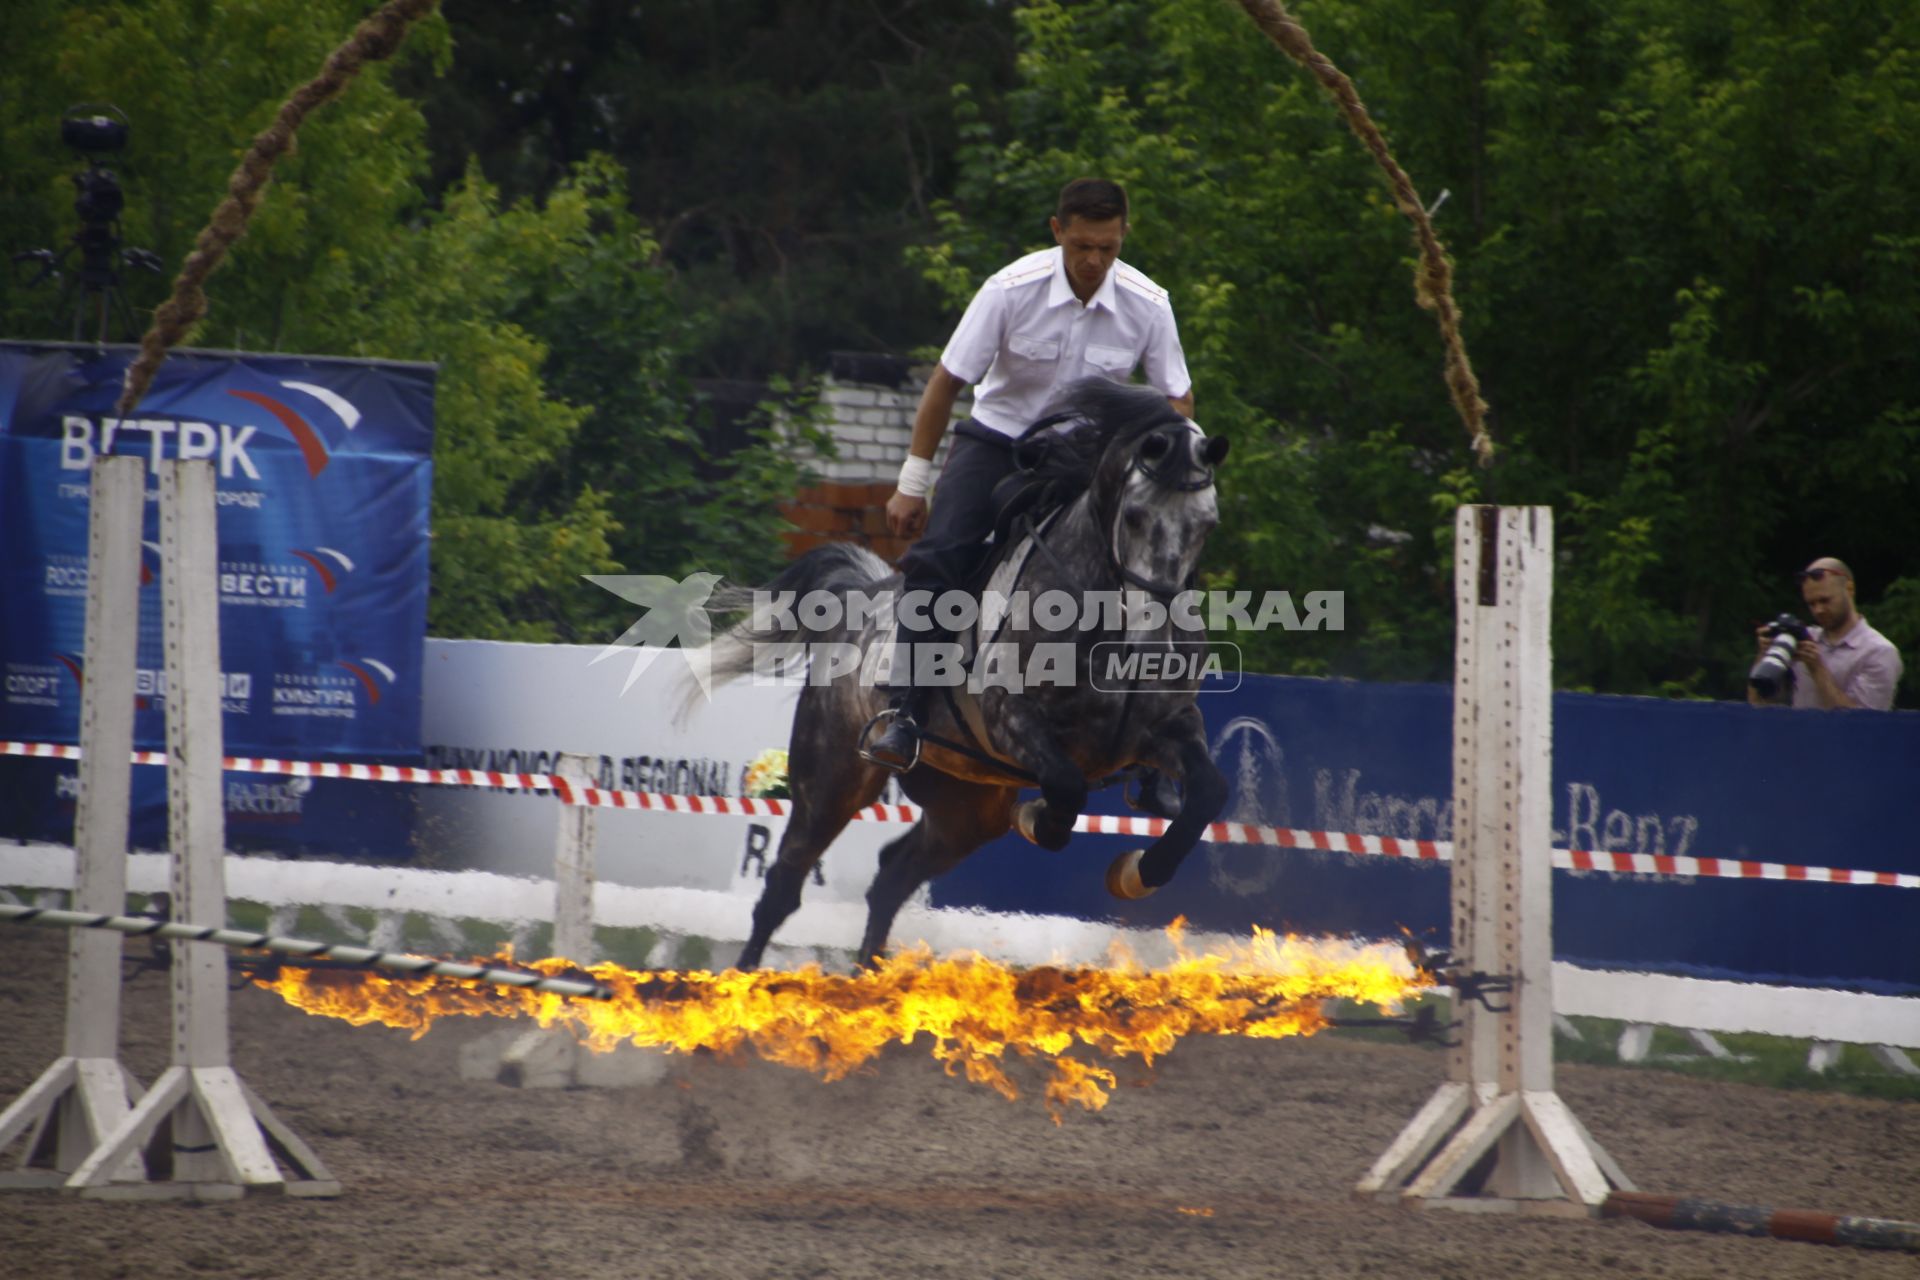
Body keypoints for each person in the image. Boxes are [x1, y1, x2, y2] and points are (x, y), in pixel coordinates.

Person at [862, 178, 1194, 771]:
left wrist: (1155, 472)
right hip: (998, 443)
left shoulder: (1149, 303)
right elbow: (946, 384)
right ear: (1057, 231)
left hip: (1091, 460)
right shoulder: (1009, 289)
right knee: (938, 557)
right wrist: (912, 482)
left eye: (1108, 248)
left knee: (1154, 571)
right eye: (1082, 246)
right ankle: (904, 712)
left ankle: (1157, 735)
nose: (1094, 261)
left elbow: (1178, 401)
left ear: (1124, 236)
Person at [1747, 557, 1904, 710]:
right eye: (1811, 603)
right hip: (1799, 735)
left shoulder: (1879, 652)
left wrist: (1817, 668)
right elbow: (1759, 704)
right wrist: (1764, 656)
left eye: (1825, 601)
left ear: (1849, 589)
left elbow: (1861, 725)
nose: (1818, 610)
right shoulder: (1805, 639)